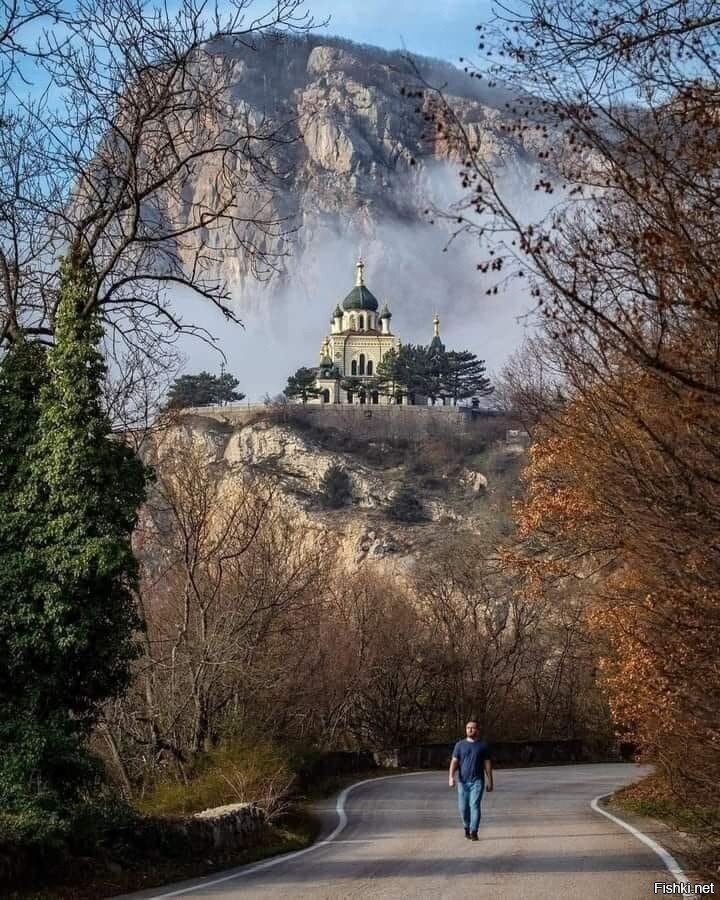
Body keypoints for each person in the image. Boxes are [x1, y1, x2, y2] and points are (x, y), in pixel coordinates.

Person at [448, 719, 493, 841]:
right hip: (463, 782)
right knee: (463, 808)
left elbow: (487, 764)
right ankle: (466, 827)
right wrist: (451, 777)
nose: (470, 730)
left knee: (474, 805)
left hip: (477, 781)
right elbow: (454, 762)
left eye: (472, 728)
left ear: (477, 730)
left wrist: (490, 781)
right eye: (468, 728)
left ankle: (474, 831)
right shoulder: (460, 745)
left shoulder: (483, 745)